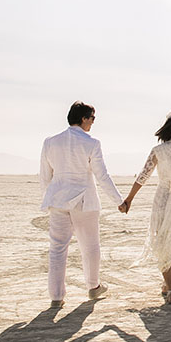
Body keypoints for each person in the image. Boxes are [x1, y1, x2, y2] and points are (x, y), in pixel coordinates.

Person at [40, 101, 125, 308]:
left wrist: (49, 196)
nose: (93, 123)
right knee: (90, 246)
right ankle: (93, 287)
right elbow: (102, 175)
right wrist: (119, 201)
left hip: (58, 199)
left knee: (57, 248)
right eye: (92, 118)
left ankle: (56, 296)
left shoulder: (50, 142)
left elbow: (45, 175)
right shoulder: (91, 143)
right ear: (84, 118)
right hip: (84, 201)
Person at [119, 111, 171, 304]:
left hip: (163, 198)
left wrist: (129, 199)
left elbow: (143, 177)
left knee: (162, 243)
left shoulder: (157, 151)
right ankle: (167, 284)